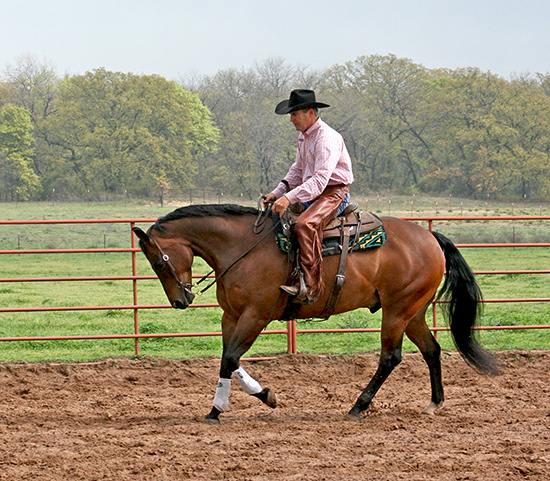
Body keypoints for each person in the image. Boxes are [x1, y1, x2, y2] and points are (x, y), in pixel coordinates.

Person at [263, 89, 354, 304]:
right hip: (313, 192)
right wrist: (278, 192)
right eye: (291, 115)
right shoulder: (304, 138)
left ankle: (312, 287)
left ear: (311, 112)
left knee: (305, 225)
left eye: (295, 114)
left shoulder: (327, 138)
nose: (292, 120)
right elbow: (298, 170)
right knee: (278, 222)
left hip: (333, 193)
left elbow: (320, 179)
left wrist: (289, 198)